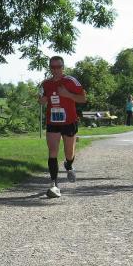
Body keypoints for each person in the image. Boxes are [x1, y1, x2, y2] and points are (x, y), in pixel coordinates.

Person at [38, 56, 87, 198]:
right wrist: (42, 101)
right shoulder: (45, 84)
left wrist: (67, 94)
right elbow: (40, 100)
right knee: (52, 151)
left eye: (58, 67)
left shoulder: (70, 81)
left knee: (69, 153)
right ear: (50, 68)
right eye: (52, 67)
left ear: (63, 67)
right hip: (52, 122)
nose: (55, 70)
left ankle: (69, 165)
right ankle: (54, 184)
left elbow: (83, 99)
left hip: (69, 121)